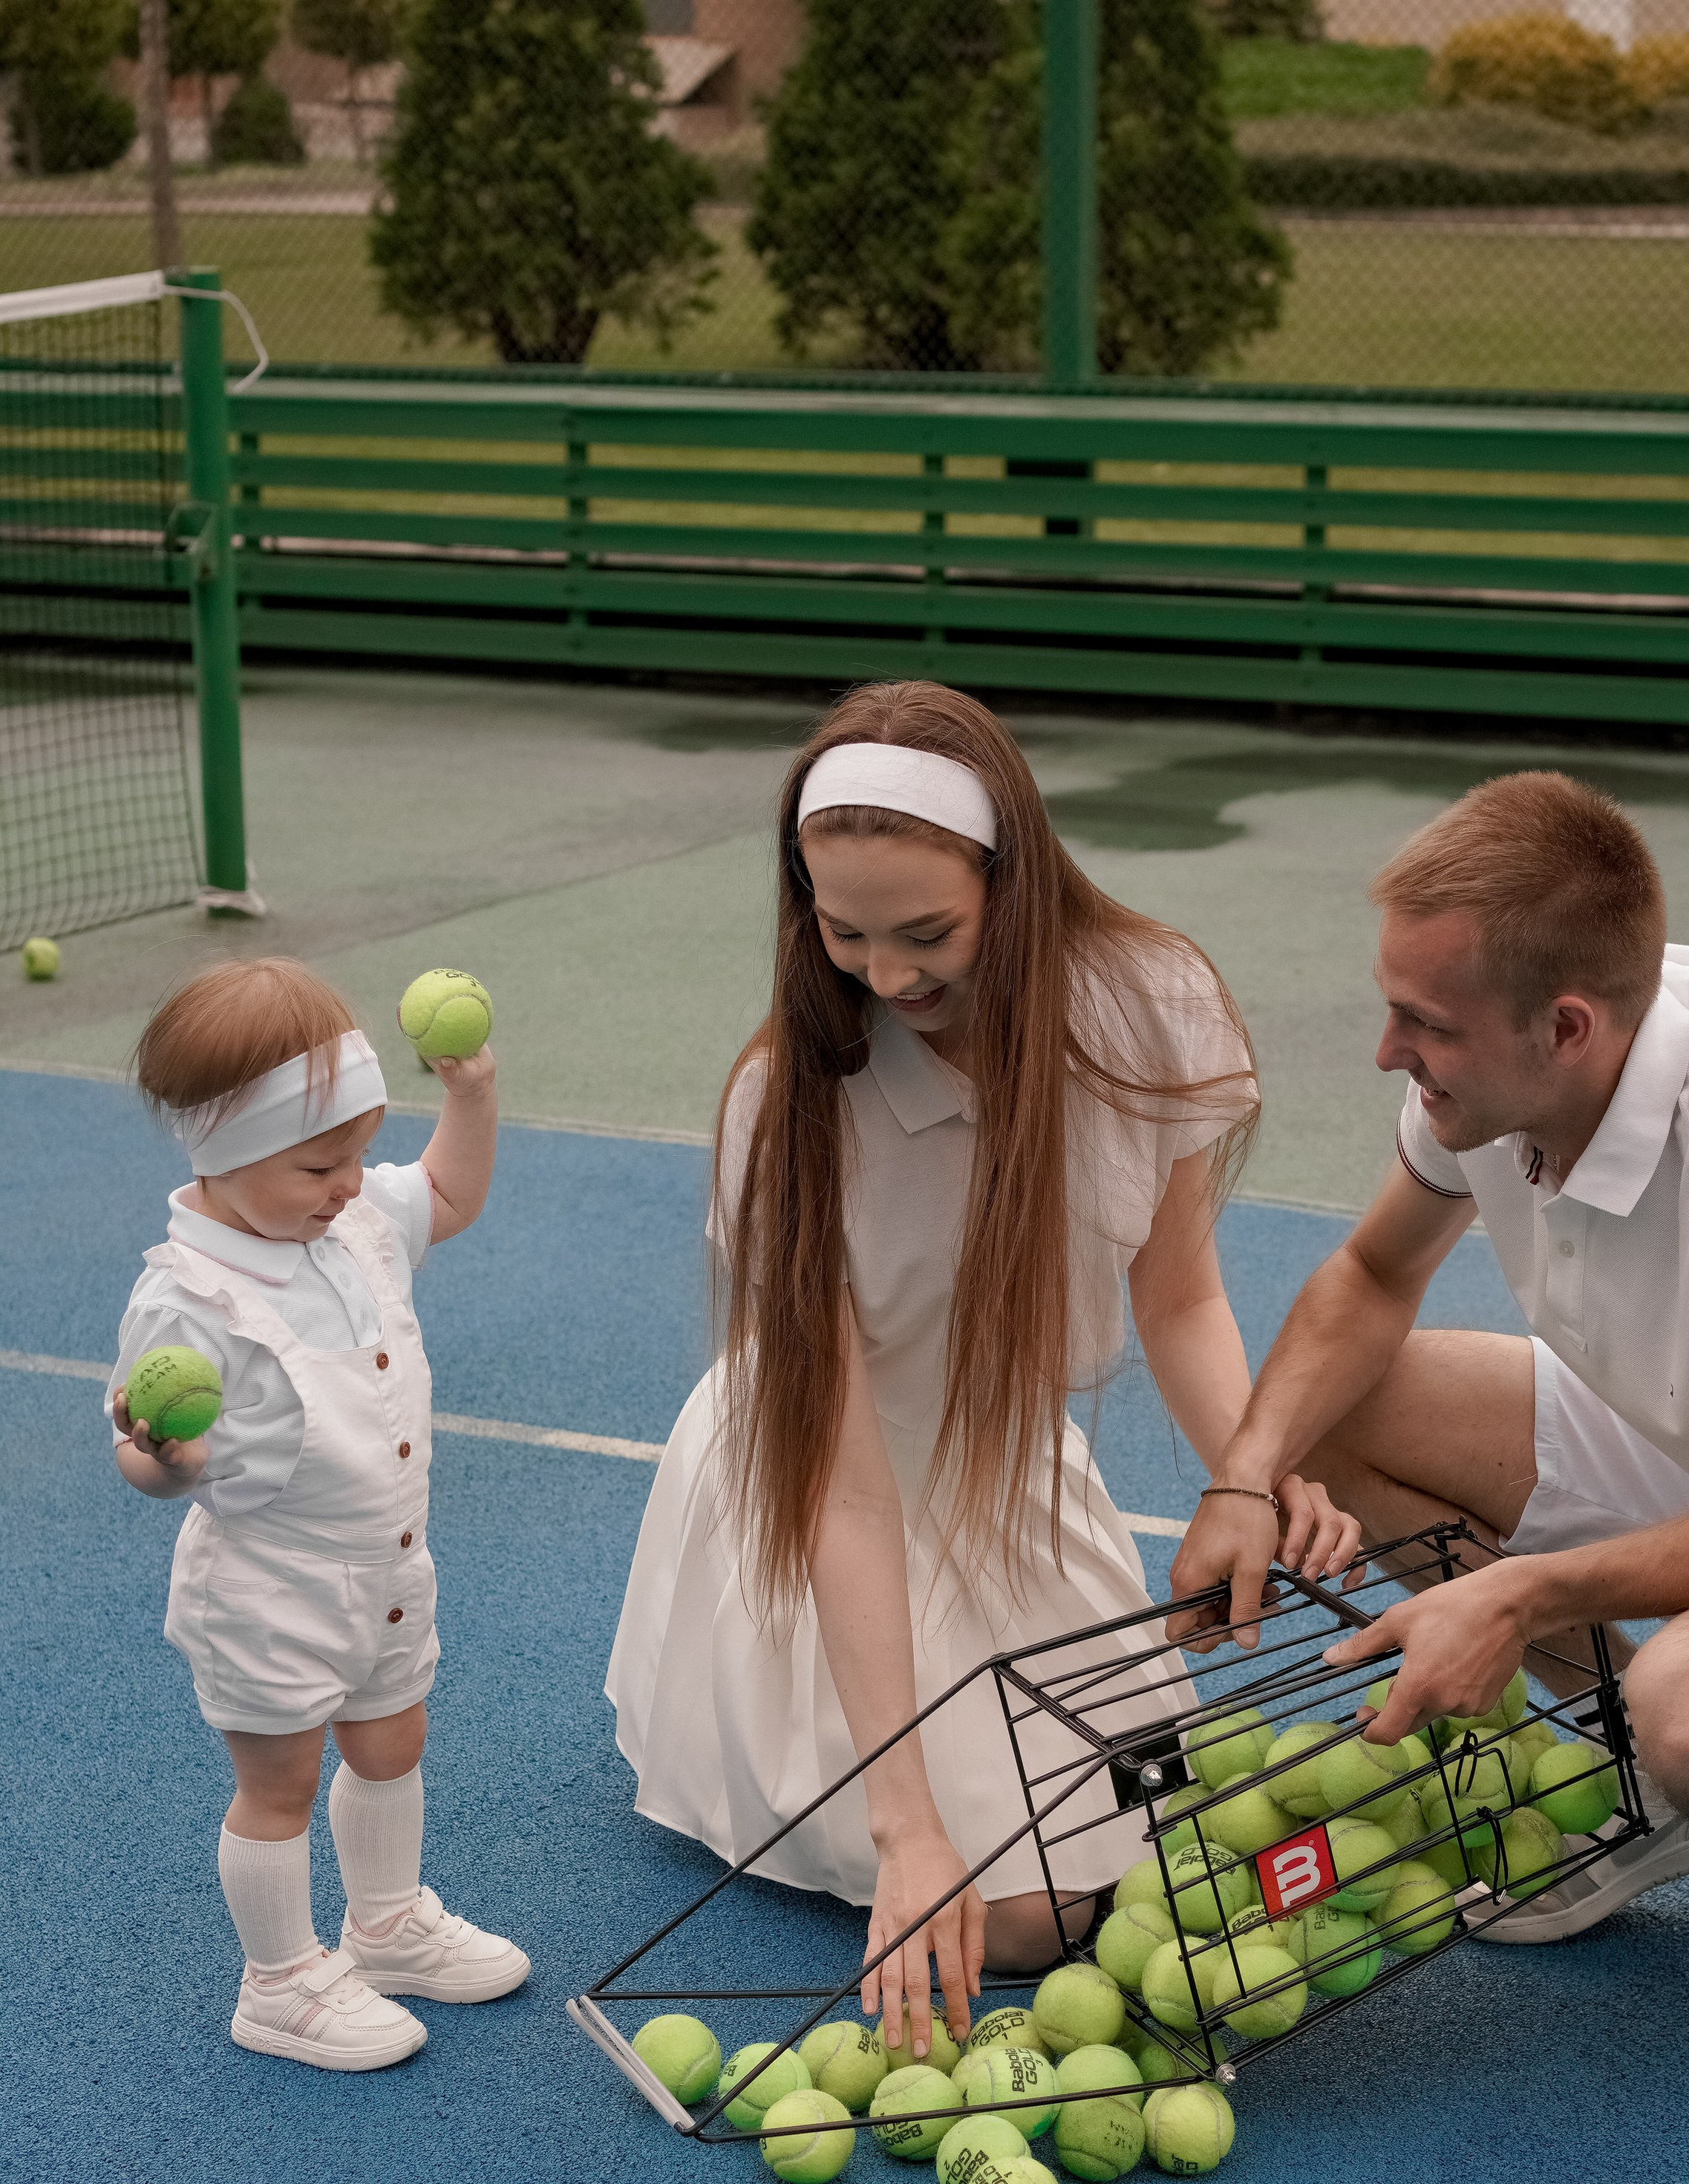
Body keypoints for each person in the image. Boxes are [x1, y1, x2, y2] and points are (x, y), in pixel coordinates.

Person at [607, 681, 1353, 2057]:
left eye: (928, 934)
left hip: (1006, 1479)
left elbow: (1179, 1289)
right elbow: (843, 1500)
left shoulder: (1149, 1002)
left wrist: (1256, 1474)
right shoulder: (786, 1107)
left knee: (1155, 1854)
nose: (885, 979)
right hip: (820, 1503)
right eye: (843, 934)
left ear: (1012, 880)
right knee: (1013, 1920)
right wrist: (906, 1830)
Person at [1169, 770, 1689, 2076]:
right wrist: (1243, 1477)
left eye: (1422, 1025)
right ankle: (1653, 1793)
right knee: (1341, 1416)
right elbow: (1371, 1281)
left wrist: (1515, 1600)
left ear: (1565, 1027)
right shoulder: (1501, 1083)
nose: (1390, 1054)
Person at [111, 956, 529, 2072]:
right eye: (319, 1163)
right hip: (270, 1586)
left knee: (393, 1738)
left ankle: (385, 1926)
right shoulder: (185, 1295)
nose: (350, 1182)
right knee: (280, 1781)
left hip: (386, 1564)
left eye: (353, 1154)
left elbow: (446, 1194)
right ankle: (282, 1983)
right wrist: (170, 1459)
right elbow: (146, 1467)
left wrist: (472, 1096)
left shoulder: (345, 1224)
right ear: (223, 1150)